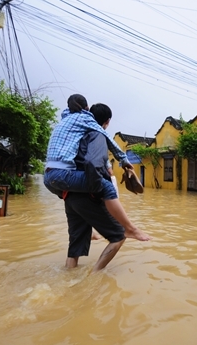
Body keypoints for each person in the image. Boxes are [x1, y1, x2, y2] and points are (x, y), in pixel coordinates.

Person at [44, 94, 149, 241]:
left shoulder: (66, 120)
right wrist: (123, 160)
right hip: (64, 174)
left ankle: (87, 231)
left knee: (77, 199)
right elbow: (104, 145)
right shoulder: (88, 123)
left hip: (49, 177)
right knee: (105, 188)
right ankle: (130, 229)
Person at [63, 103, 151, 271]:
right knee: (119, 235)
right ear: (107, 122)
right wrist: (96, 190)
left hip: (69, 195)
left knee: (75, 247)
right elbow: (94, 164)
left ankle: (69, 277)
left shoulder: (76, 135)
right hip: (88, 192)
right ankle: (94, 277)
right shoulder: (98, 135)